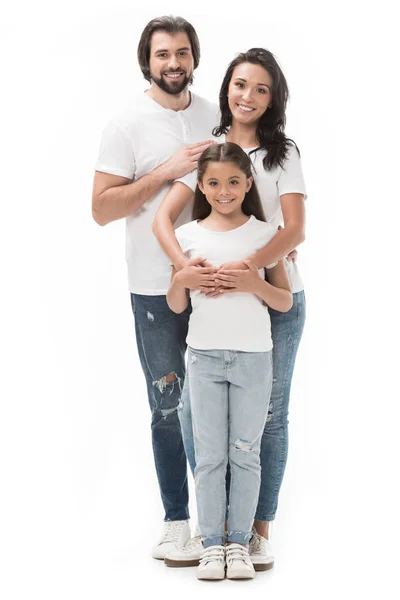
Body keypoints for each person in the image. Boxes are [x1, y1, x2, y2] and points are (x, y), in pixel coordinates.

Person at [153, 48, 306, 570]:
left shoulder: (282, 153)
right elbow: (164, 223)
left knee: (269, 419)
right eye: (241, 85)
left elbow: (294, 230)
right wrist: (190, 273)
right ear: (227, 89)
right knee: (204, 424)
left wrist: (250, 270)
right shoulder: (209, 153)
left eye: (262, 88)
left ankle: (254, 532)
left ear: (273, 98)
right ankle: (213, 530)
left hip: (267, 300)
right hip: (212, 309)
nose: (248, 96)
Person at [91, 15, 219, 559]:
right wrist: (164, 172)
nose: (174, 63)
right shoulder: (126, 124)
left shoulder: (214, 114)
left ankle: (220, 523)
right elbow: (100, 209)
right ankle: (176, 521)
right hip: (153, 286)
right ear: (148, 61)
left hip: (217, 280)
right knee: (168, 403)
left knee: (216, 403)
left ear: (194, 58)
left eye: (182, 52)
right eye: (163, 54)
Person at [167, 142, 292, 580]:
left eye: (233, 182)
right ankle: (212, 545)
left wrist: (250, 284)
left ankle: (238, 543)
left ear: (248, 184)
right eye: (214, 183)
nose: (224, 191)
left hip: (253, 360)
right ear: (201, 186)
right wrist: (181, 276)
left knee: (245, 452)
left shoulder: (265, 235)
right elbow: (177, 306)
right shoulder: (188, 236)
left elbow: (283, 301)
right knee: (209, 456)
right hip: (202, 359)